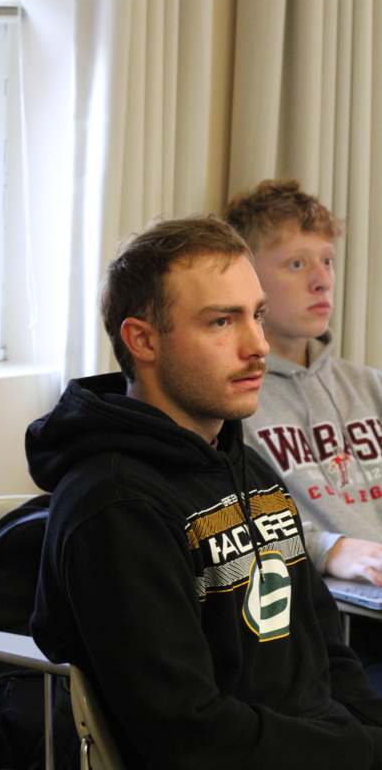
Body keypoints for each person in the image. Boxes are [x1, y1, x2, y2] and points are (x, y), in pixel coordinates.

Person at [26, 215, 382, 769]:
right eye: (221, 322)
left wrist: (371, 735)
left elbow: (326, 649)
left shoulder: (251, 471)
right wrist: (362, 751)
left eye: (257, 316)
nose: (258, 346)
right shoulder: (115, 508)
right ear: (142, 339)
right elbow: (189, 734)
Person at [225, 180, 382, 585]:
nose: (322, 281)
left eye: (327, 261)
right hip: (330, 607)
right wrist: (327, 548)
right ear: (245, 279)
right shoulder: (231, 402)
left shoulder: (369, 387)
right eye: (297, 264)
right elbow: (226, 526)